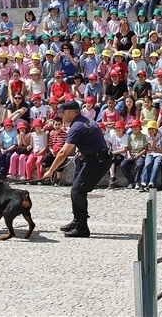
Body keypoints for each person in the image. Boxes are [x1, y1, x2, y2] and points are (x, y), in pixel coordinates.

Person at [43, 100, 110, 238]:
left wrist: (50, 171)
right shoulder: (86, 121)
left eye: (63, 112)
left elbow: (63, 153)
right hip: (96, 157)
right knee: (77, 189)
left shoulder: (76, 127)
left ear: (72, 113)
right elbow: (94, 140)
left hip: (97, 161)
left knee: (77, 190)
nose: (61, 115)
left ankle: (82, 227)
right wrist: (83, 150)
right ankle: (77, 220)